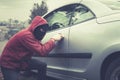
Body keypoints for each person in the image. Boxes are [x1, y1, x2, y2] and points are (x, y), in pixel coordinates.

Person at [0, 16, 64, 80]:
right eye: (41, 29)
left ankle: (27, 73)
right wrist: (53, 39)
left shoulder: (32, 34)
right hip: (9, 64)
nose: (42, 32)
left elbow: (39, 47)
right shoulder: (26, 35)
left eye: (44, 30)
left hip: (22, 62)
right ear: (35, 26)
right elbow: (42, 51)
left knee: (42, 65)